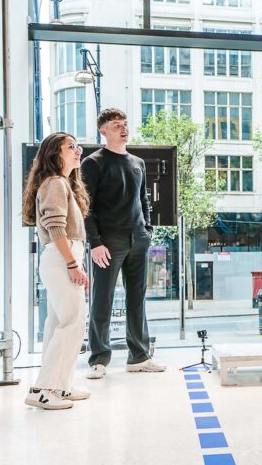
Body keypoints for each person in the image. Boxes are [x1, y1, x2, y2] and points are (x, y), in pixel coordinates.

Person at [83, 108, 167, 378]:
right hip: (108, 242)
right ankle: (98, 359)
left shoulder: (137, 163)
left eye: (125, 124)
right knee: (102, 299)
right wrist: (95, 242)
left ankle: (139, 356)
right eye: (117, 125)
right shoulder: (93, 163)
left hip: (138, 239)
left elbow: (144, 201)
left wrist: (148, 229)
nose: (123, 128)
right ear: (104, 131)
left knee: (137, 299)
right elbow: (87, 207)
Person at [21, 132, 92, 410]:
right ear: (55, 153)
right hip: (63, 256)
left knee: (58, 323)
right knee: (72, 323)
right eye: (71, 147)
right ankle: (43, 389)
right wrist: (73, 264)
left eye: (78, 146)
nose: (78, 150)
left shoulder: (60, 183)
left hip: (62, 256)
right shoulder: (54, 183)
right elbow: (55, 227)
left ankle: (59, 386)